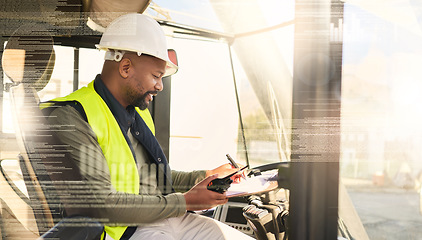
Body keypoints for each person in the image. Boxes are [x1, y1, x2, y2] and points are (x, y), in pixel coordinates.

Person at [42, 13, 253, 240]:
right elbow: (103, 205)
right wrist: (185, 201)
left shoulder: (136, 115)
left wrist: (205, 176)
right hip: (123, 231)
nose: (160, 86)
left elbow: (151, 178)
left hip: (159, 219)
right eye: (156, 76)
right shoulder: (73, 116)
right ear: (125, 68)